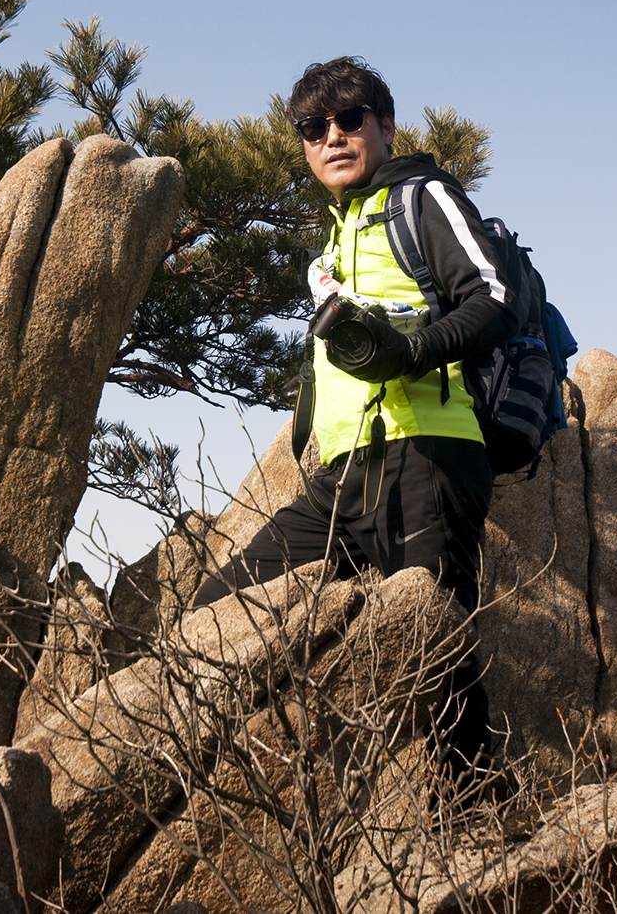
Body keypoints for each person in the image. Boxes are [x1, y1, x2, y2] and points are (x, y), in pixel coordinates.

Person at [193, 56, 518, 776]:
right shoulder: (340, 235)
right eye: (314, 128)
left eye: (349, 119)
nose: (332, 136)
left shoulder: (422, 199)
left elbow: (495, 297)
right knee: (220, 610)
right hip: (341, 482)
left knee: (435, 652)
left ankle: (474, 814)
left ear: (386, 126)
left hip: (426, 459)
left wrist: (413, 351)